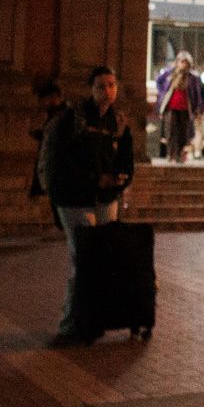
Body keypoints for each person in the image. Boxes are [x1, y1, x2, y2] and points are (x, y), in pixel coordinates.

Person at [38, 65, 136, 346]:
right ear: (91, 90)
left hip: (106, 199)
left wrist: (121, 177)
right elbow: (64, 164)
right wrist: (96, 179)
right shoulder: (73, 119)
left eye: (112, 85)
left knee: (102, 261)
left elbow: (126, 158)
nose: (107, 91)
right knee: (83, 262)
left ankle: (93, 321)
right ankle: (70, 326)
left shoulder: (118, 122)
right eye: (101, 86)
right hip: (74, 199)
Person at [154, 51, 204, 163]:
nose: (183, 64)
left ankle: (180, 153)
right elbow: (159, 81)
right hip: (171, 107)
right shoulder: (170, 73)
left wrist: (198, 107)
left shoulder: (193, 77)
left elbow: (197, 93)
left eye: (185, 62)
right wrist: (162, 93)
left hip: (185, 108)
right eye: (181, 61)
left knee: (184, 132)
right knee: (172, 132)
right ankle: (171, 154)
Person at [27, 78, 66, 201]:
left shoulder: (61, 115)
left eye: (43, 100)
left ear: (53, 97)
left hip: (55, 173)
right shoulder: (55, 114)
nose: (42, 104)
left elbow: (56, 139)